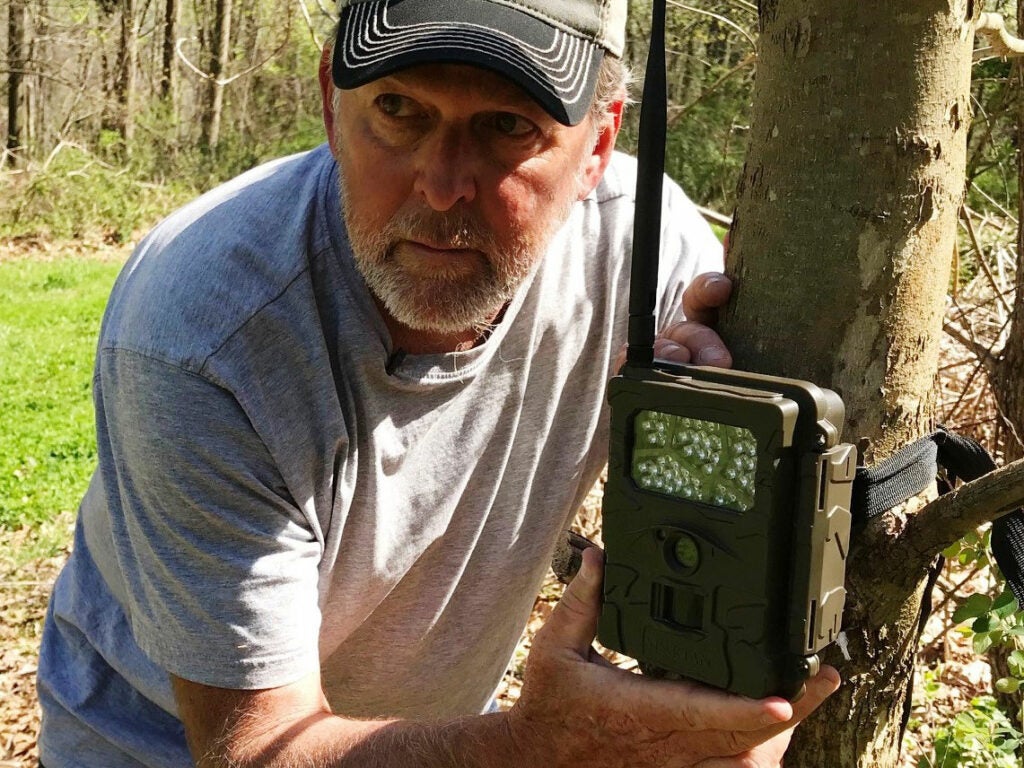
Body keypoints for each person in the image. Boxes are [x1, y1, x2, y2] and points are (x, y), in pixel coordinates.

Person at [36, 1, 839, 765]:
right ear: (330, 103)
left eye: (506, 126)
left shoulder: (643, 254)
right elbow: (251, 750)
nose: (443, 183)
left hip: (441, 736)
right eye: (398, 110)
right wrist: (545, 751)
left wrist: (689, 398)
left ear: (598, 145)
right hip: (160, 741)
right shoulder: (205, 334)